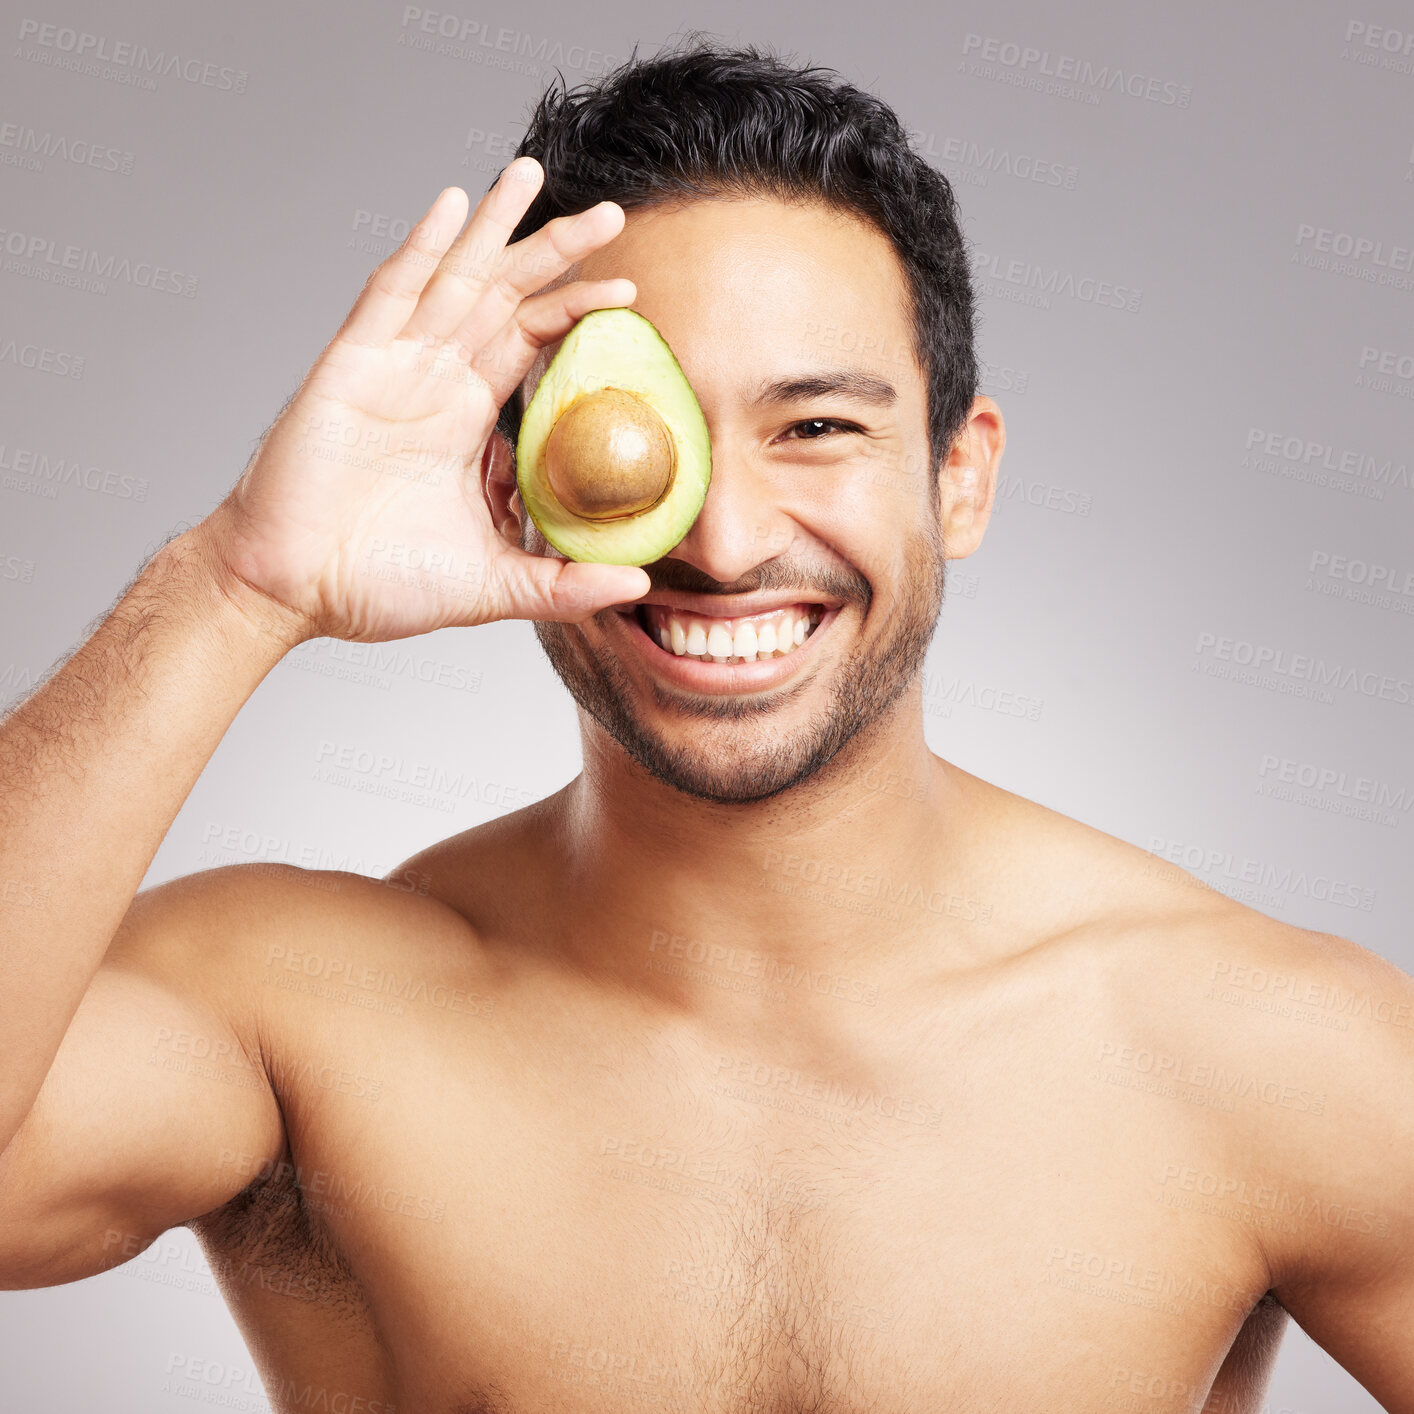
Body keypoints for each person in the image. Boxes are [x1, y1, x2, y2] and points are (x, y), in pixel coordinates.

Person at [1, 36, 1410, 1414]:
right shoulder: (294, 1025)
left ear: (958, 475)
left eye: (814, 428)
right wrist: (235, 582)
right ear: (506, 480)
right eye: (640, 433)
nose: (727, 544)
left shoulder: (1266, 1049)